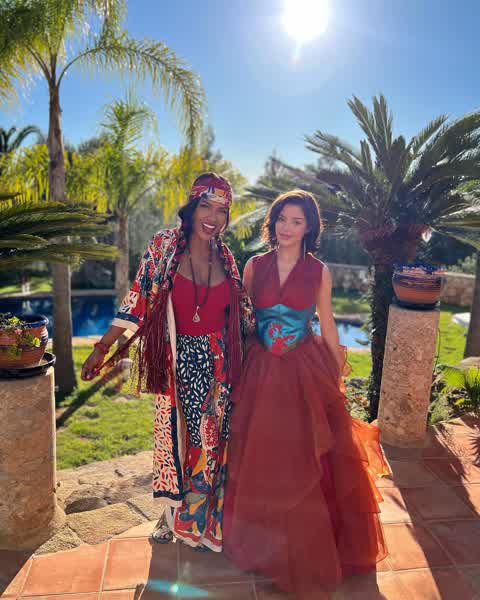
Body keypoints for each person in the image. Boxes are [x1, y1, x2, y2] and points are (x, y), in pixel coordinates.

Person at [223, 190, 389, 596]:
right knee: (263, 455)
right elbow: (243, 320)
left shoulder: (319, 271)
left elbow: (327, 324)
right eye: (282, 219)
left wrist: (336, 371)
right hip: (260, 371)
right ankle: (262, 544)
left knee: (304, 457)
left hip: (302, 370)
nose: (287, 227)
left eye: (297, 221)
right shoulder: (254, 265)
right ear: (273, 221)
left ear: (309, 228)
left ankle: (309, 547)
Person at [81, 172, 251, 552]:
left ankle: (203, 523)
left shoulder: (226, 258)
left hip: (219, 367)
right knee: (176, 442)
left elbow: (243, 316)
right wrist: (102, 347)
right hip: (177, 363)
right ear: (191, 208)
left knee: (210, 447)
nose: (213, 217)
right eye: (205, 206)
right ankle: (171, 514)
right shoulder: (164, 245)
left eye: (221, 210)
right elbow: (138, 297)